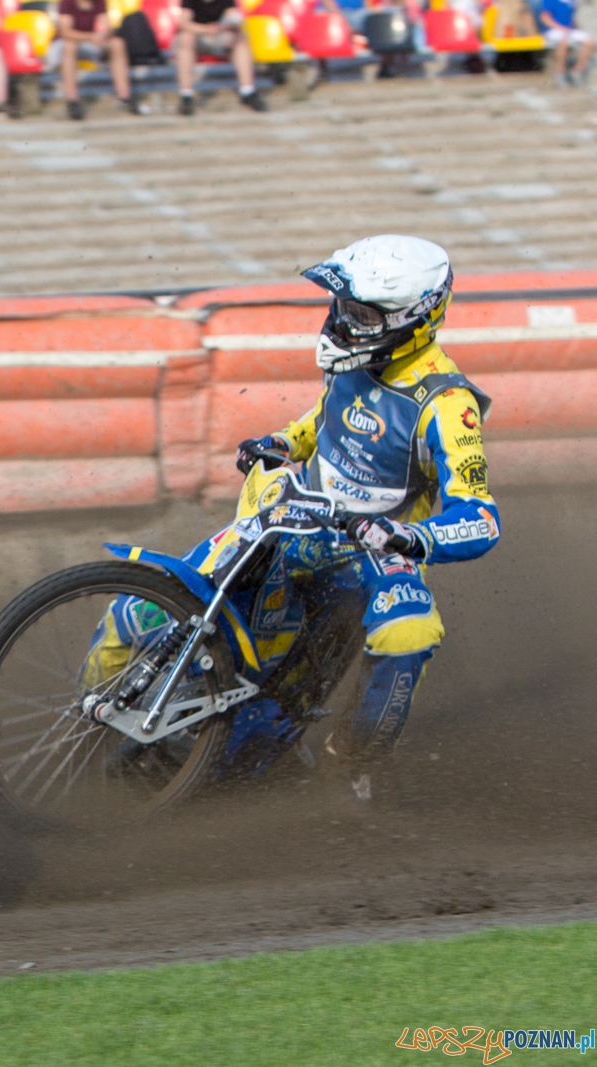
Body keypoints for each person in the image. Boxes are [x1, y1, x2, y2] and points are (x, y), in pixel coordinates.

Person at [225, 236, 496, 797]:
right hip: (299, 511)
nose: (343, 323)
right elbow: (327, 418)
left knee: (410, 630)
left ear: (410, 319)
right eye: (343, 308)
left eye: (361, 315)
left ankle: (351, 763)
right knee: (177, 597)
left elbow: (481, 517)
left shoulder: (447, 405)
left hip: (373, 548)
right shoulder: (357, 357)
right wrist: (280, 441)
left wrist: (408, 536)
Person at [174, 0, 266, 114]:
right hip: (198, 37)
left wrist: (226, 27)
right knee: (186, 39)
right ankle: (186, 95)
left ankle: (247, 91)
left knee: (240, 38)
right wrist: (206, 29)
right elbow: (183, 23)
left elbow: (235, 18)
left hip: (219, 35)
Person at [55, 0, 143, 119]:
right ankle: (72, 100)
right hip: (70, 44)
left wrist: (104, 33)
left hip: (92, 44)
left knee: (117, 44)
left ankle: (124, 97)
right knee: (69, 47)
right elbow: (65, 32)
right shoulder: (67, 3)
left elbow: (107, 28)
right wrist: (90, 36)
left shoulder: (99, 2)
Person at [539, 0, 593, 85]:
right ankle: (560, 72)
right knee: (563, 42)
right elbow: (545, 18)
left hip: (568, 30)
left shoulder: (571, 2)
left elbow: (572, 17)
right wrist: (561, 28)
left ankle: (577, 71)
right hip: (553, 30)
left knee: (589, 42)